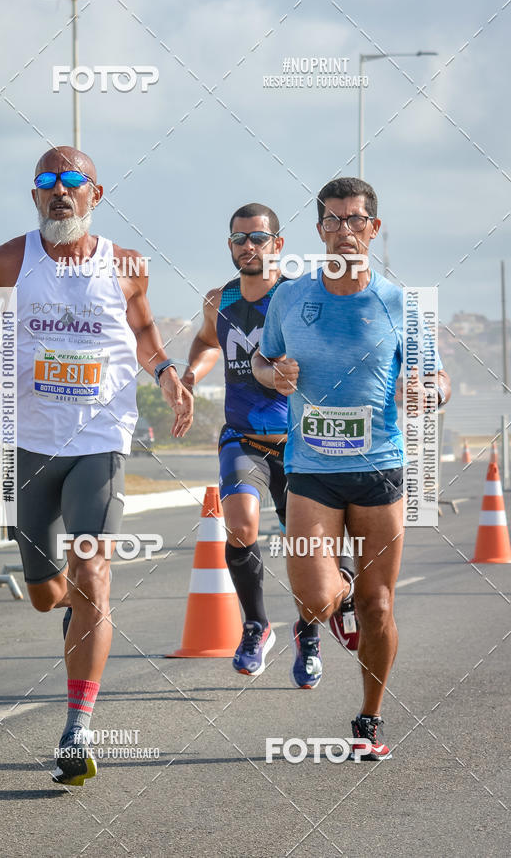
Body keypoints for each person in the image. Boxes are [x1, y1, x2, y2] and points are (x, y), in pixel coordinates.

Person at [0, 146, 193, 786]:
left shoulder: (126, 265)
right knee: (46, 595)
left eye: (73, 181)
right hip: (26, 445)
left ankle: (78, 730)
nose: (60, 191)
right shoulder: (6, 262)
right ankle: (70, 613)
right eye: (47, 182)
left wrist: (166, 375)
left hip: (100, 440)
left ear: (94, 194)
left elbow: (144, 334)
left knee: (93, 575)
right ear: (34, 196)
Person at [252, 177, 450, 759]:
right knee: (315, 599)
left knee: (379, 604)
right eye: (333, 221)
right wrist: (271, 375)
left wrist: (430, 393)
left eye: (356, 220)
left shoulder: (399, 304)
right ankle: (335, 601)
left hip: (379, 468)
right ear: (319, 230)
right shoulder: (289, 298)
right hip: (311, 468)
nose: (344, 231)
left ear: (374, 228)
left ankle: (369, 720)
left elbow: (436, 378)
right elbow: (262, 360)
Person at [182, 203, 322, 687]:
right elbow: (206, 343)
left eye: (258, 238)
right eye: (239, 239)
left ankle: (308, 632)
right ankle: (257, 626)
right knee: (240, 525)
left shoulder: (298, 298)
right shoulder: (218, 299)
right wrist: (190, 377)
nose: (248, 246)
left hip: (298, 442)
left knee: (303, 544)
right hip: (242, 437)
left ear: (277, 244)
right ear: (230, 245)